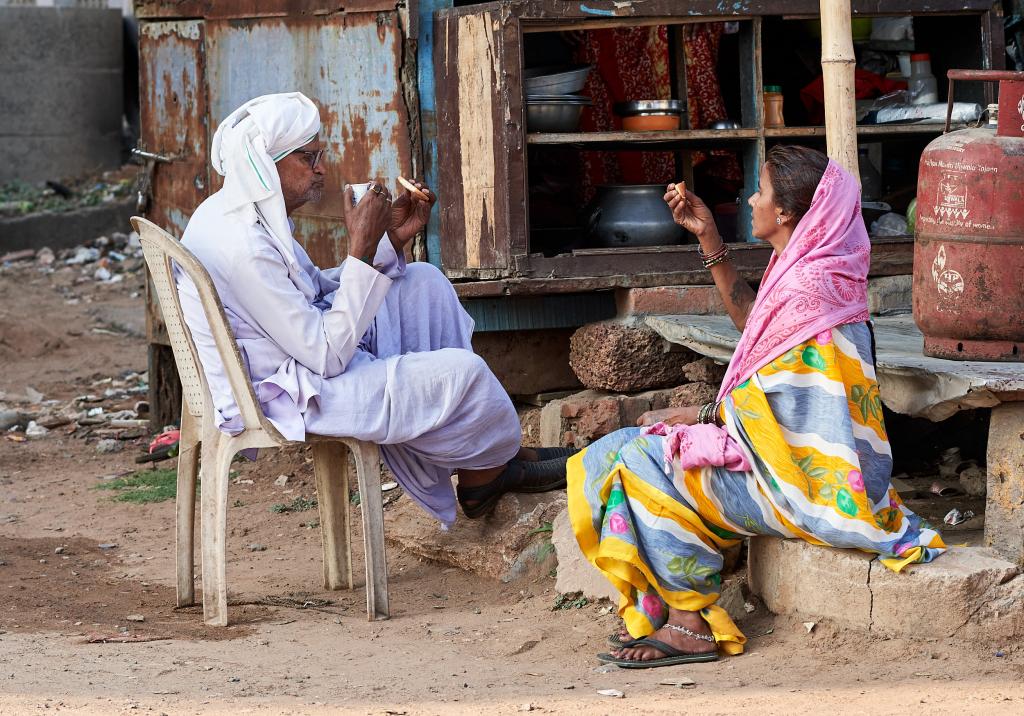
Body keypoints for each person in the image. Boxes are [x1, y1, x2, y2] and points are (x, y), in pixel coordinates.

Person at [566, 145, 946, 668]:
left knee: (637, 462)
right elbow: (755, 328)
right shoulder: (807, 273)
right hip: (794, 467)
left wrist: (699, 418)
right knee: (613, 448)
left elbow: (776, 415)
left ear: (786, 213)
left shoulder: (810, 289)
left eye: (761, 190)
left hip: (797, 485)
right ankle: (667, 608)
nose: (750, 198)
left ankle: (690, 625)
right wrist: (709, 238)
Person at [175, 92, 573, 528]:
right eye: (309, 158)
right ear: (267, 164)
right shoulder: (245, 247)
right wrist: (360, 251)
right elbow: (326, 356)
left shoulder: (240, 214)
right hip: (288, 392)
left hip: (301, 357)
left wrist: (388, 242)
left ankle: (479, 457)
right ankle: (488, 467)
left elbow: (311, 290)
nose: (321, 168)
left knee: (423, 283)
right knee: (465, 373)